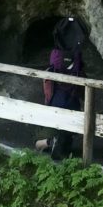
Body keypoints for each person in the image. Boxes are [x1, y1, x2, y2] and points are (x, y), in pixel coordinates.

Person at [35, 16, 86, 158]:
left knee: (38, 143)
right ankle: (57, 142)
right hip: (72, 101)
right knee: (65, 138)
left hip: (56, 101)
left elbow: (47, 82)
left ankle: (52, 142)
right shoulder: (77, 58)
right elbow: (83, 82)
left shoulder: (56, 56)